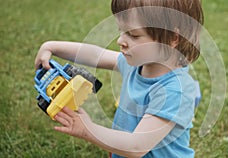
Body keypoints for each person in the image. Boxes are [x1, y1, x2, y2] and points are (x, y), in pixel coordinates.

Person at [34, 0, 204, 157]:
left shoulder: (175, 90)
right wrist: (51, 46)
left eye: (134, 35)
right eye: (121, 31)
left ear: (172, 38)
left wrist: (89, 130)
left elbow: (137, 146)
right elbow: (96, 55)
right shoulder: (136, 64)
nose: (121, 40)